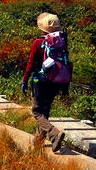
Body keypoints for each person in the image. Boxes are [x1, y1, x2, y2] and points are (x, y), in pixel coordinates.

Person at [20, 13, 69, 152]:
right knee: (45, 109)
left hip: (39, 79)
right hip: (56, 79)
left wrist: (25, 80)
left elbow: (30, 63)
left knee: (36, 111)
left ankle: (54, 133)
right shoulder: (62, 41)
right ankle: (40, 140)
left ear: (43, 28)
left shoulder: (38, 42)